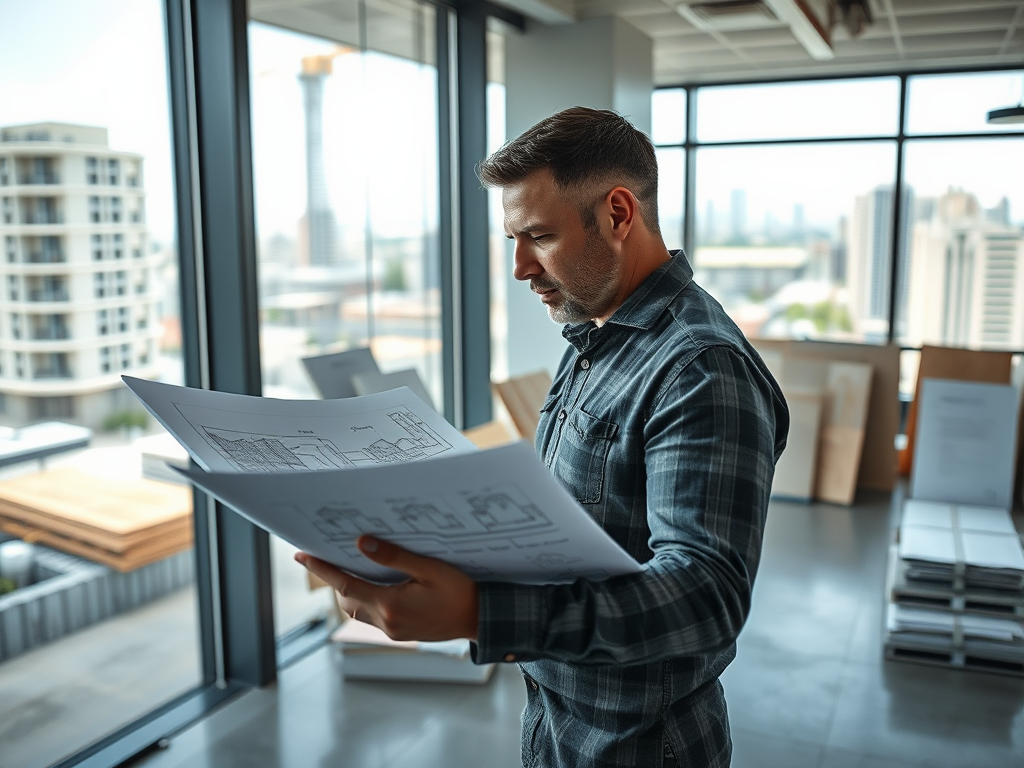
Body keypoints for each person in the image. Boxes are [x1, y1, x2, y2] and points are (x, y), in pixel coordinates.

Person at [297, 106, 789, 768]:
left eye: (540, 236)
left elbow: (706, 597)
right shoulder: (594, 335)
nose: (521, 267)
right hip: (558, 719)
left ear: (618, 214)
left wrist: (483, 612)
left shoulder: (699, 369)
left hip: (639, 745)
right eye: (514, 241)